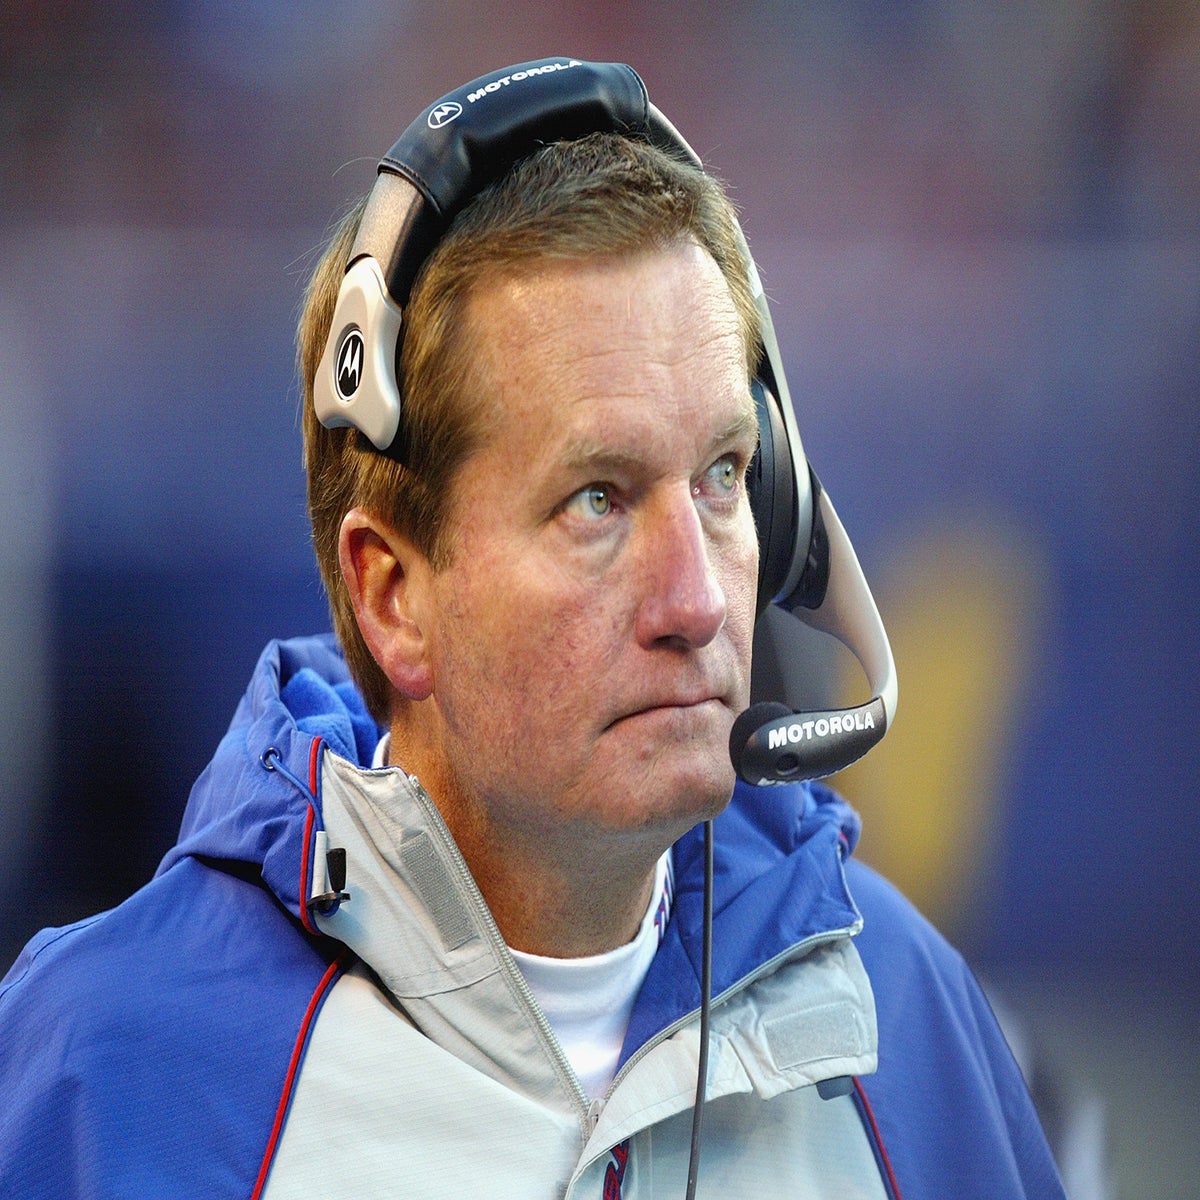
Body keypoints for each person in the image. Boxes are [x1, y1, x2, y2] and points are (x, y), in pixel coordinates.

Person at [0, 60, 1064, 1199]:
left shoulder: (911, 1020)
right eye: (596, 501)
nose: (701, 601)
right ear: (393, 595)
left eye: (722, 477)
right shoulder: (97, 1071)